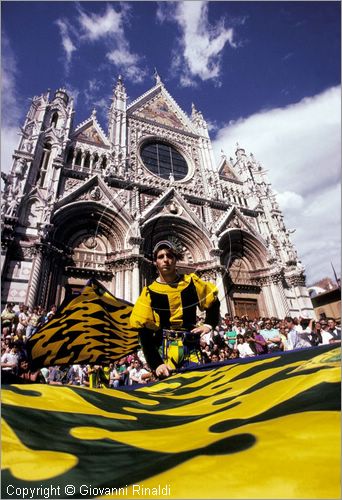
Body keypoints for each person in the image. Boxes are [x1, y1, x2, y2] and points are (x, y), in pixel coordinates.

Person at [130, 240, 220, 378]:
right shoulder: (149, 292)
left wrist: (208, 324)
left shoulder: (192, 282)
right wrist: (156, 363)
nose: (166, 260)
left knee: (198, 387)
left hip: (191, 347)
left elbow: (212, 300)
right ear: (155, 262)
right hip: (164, 351)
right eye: (161, 257)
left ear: (176, 259)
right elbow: (144, 333)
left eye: (170, 256)